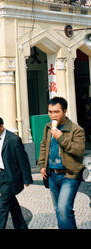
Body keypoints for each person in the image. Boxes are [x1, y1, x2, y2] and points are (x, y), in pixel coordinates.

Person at [38, 96, 85, 229]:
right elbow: (43, 146)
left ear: (64, 111)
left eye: (56, 112)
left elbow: (79, 150)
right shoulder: (48, 127)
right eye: (50, 112)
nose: (53, 115)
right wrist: (42, 165)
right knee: (59, 210)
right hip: (52, 175)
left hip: (69, 176)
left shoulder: (76, 130)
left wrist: (61, 138)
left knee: (64, 209)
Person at [0, 115, 33, 229]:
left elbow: (23, 160)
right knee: (11, 203)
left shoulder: (13, 139)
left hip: (10, 176)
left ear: (1, 127)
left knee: (3, 205)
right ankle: (21, 226)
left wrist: (26, 178)